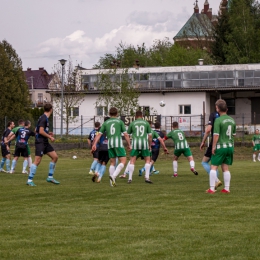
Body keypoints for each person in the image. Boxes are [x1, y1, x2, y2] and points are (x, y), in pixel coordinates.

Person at [91, 107, 131, 187]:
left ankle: (111, 183)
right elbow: (126, 134)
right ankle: (113, 176)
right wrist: (129, 144)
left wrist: (94, 144)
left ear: (109, 114)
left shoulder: (106, 123)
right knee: (123, 161)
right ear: (117, 114)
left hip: (110, 144)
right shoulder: (120, 122)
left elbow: (99, 134)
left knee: (112, 163)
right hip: (118, 143)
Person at [206, 100, 236, 194]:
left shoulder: (218, 120)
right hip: (230, 146)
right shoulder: (232, 120)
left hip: (221, 146)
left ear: (217, 108)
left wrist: (213, 147)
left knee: (213, 167)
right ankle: (226, 189)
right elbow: (233, 134)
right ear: (226, 109)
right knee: (225, 167)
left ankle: (211, 189)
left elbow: (216, 135)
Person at [26, 103, 59, 186]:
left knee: (55, 157)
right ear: (51, 109)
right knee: (37, 161)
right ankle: (29, 180)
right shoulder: (44, 118)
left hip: (45, 142)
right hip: (40, 142)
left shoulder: (43, 118)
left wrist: (48, 133)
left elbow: (36, 129)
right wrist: (50, 137)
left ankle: (50, 177)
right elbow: (40, 131)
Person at [200, 101, 225, 189]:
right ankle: (224, 187)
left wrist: (203, 141)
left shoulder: (213, 115)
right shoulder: (226, 117)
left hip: (215, 141)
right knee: (218, 164)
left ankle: (216, 180)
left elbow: (208, 130)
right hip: (225, 143)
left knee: (204, 162)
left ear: (216, 107)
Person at [127, 111, 153, 184]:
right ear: (142, 116)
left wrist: (129, 145)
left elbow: (128, 134)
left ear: (136, 116)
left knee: (132, 160)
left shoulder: (132, 123)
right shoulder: (146, 123)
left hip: (135, 143)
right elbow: (150, 136)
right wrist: (149, 145)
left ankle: (130, 178)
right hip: (144, 143)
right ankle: (147, 177)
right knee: (147, 160)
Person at [92, 117, 110, 183]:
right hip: (108, 147)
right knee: (104, 163)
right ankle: (99, 177)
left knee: (99, 161)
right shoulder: (111, 128)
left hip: (101, 147)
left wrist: (95, 145)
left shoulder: (100, 128)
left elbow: (97, 137)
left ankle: (96, 172)